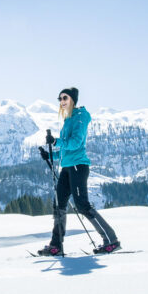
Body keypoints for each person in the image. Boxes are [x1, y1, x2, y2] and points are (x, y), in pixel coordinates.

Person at [36, 87, 121, 256]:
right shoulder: (68, 120)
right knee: (58, 205)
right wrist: (51, 154)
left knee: (82, 205)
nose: (62, 101)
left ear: (73, 99)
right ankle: (56, 245)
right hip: (67, 167)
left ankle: (111, 240)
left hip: (78, 167)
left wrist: (56, 141)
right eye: (60, 98)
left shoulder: (80, 117)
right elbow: (66, 150)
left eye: (65, 98)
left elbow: (76, 143)